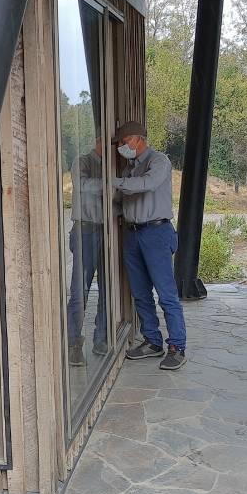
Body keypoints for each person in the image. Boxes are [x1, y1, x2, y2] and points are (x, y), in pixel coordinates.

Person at [112, 121, 188, 371]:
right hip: (132, 234)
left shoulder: (159, 161)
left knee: (166, 294)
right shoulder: (128, 169)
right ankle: (153, 342)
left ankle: (177, 347)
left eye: (124, 143)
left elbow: (147, 185)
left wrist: (111, 182)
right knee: (140, 293)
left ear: (137, 139)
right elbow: (121, 200)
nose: (122, 148)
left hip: (156, 232)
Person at [67, 137, 108, 367]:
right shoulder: (81, 162)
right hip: (85, 231)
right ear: (99, 141)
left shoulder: (113, 166)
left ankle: (100, 339)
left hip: (107, 231)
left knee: (107, 288)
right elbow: (84, 186)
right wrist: (112, 183)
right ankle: (73, 344)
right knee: (79, 290)